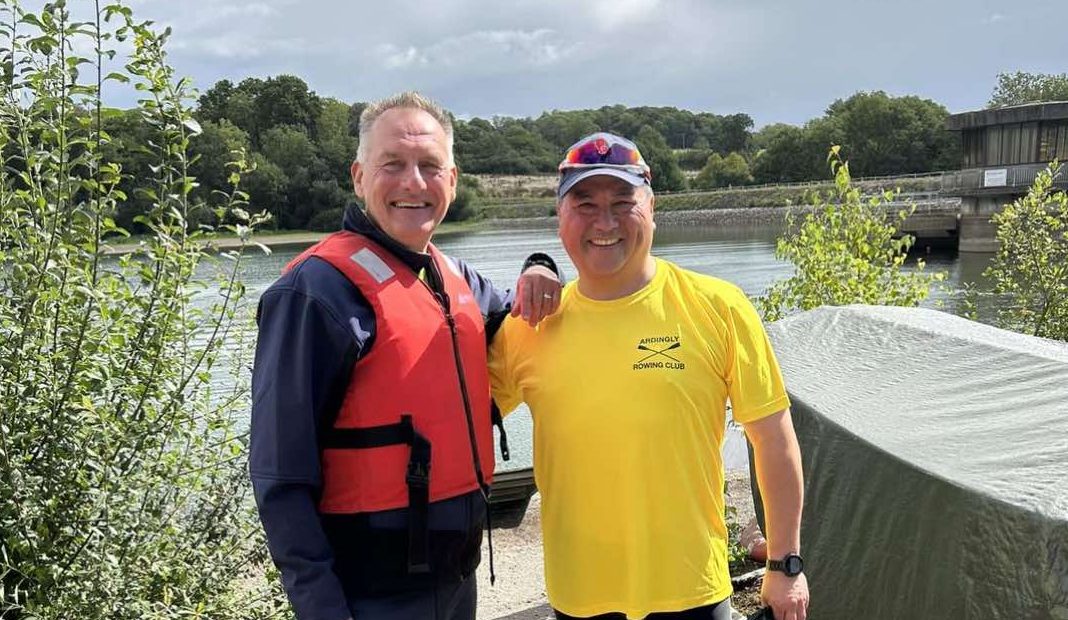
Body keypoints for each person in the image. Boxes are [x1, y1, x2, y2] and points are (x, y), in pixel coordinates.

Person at [250, 91, 561, 620]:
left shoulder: (456, 277)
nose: (413, 183)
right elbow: (280, 477)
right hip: (368, 595)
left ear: (453, 181)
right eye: (392, 164)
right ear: (358, 176)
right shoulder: (316, 293)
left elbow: (522, 312)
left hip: (456, 580)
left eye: (429, 166)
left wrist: (541, 264)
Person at [488, 133, 810, 620]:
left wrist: (785, 565)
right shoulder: (526, 326)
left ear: (652, 207)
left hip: (693, 591)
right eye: (585, 203)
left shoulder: (718, 306)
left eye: (623, 201)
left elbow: (774, 438)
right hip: (580, 595)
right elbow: (454, 409)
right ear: (560, 217)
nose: (605, 221)